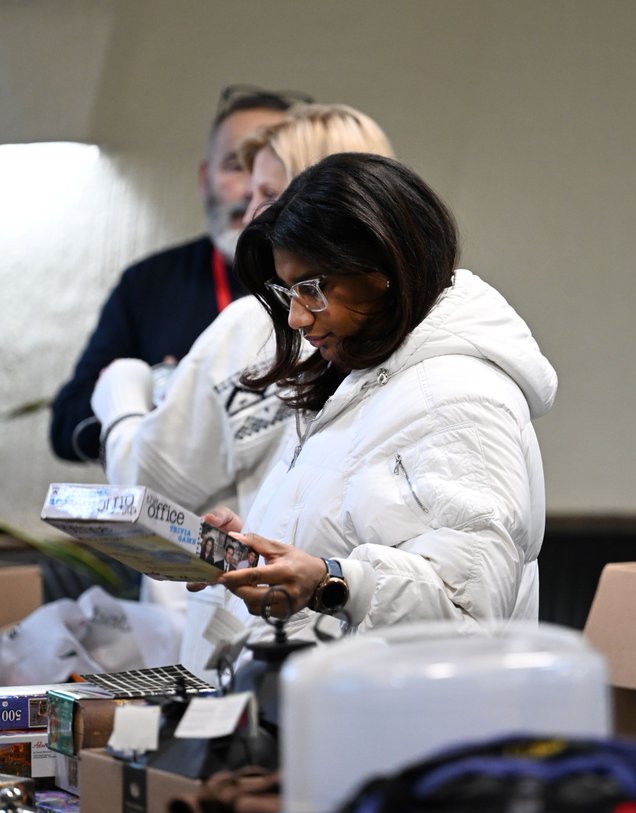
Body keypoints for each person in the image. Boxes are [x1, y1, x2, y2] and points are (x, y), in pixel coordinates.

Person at [201, 152, 558, 644]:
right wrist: (260, 549)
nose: (297, 319)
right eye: (290, 293)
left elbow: (469, 611)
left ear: (385, 267)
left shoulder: (455, 398)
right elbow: (358, 535)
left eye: (313, 288)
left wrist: (330, 582)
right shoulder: (365, 381)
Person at [93, 104, 394, 518]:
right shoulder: (411, 313)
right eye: (252, 193)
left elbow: (146, 485)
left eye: (269, 195)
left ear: (327, 197)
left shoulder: (256, 324)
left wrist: (122, 390)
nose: (252, 214)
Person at [49, 86, 309, 463]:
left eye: (269, 174)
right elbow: (67, 425)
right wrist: (155, 397)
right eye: (236, 166)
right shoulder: (148, 283)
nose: (251, 192)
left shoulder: (324, 286)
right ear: (205, 177)